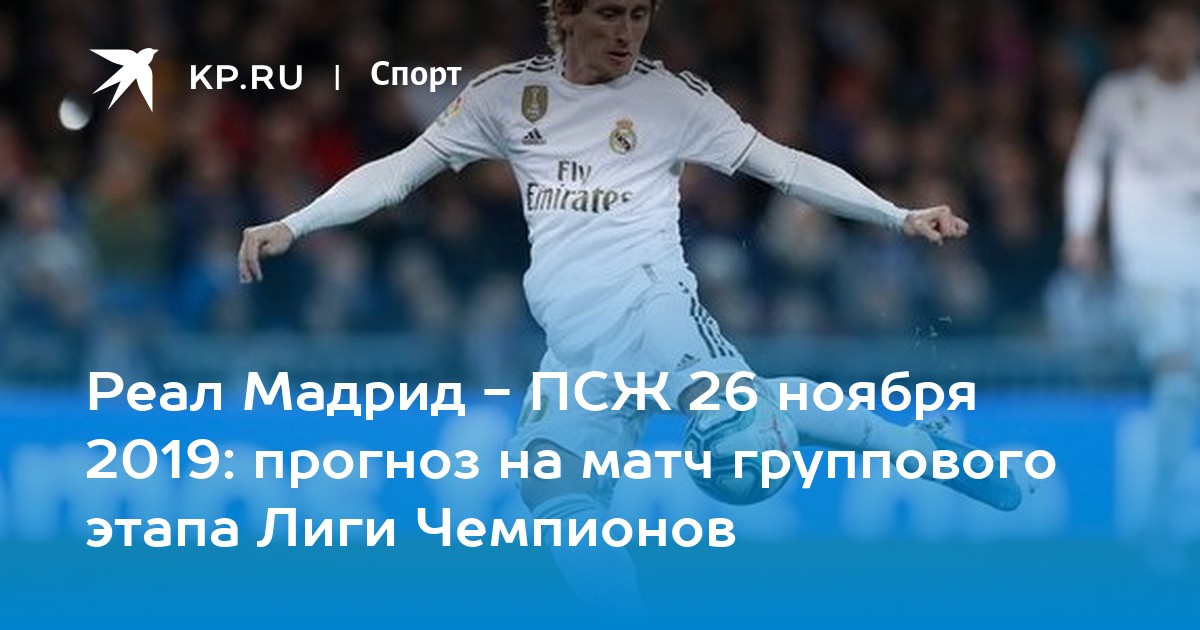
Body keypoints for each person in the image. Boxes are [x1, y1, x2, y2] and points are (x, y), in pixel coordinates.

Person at [239, 0, 1020, 612]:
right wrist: (294, 223)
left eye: (639, 14)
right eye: (609, 13)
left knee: (740, 438)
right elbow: (398, 172)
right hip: (574, 345)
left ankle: (927, 451)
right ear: (565, 15)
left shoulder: (671, 100)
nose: (627, 32)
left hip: (655, 308)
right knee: (549, 484)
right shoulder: (506, 96)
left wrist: (896, 214)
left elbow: (784, 167)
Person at [1063, 0, 1200, 572]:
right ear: (1149, 39)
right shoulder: (1118, 95)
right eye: (1165, 33)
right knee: (1176, 376)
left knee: (1184, 389)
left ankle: (1161, 523)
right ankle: (1158, 531)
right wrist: (1080, 231)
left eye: (1185, 33)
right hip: (1145, 262)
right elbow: (1087, 163)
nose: (1175, 44)